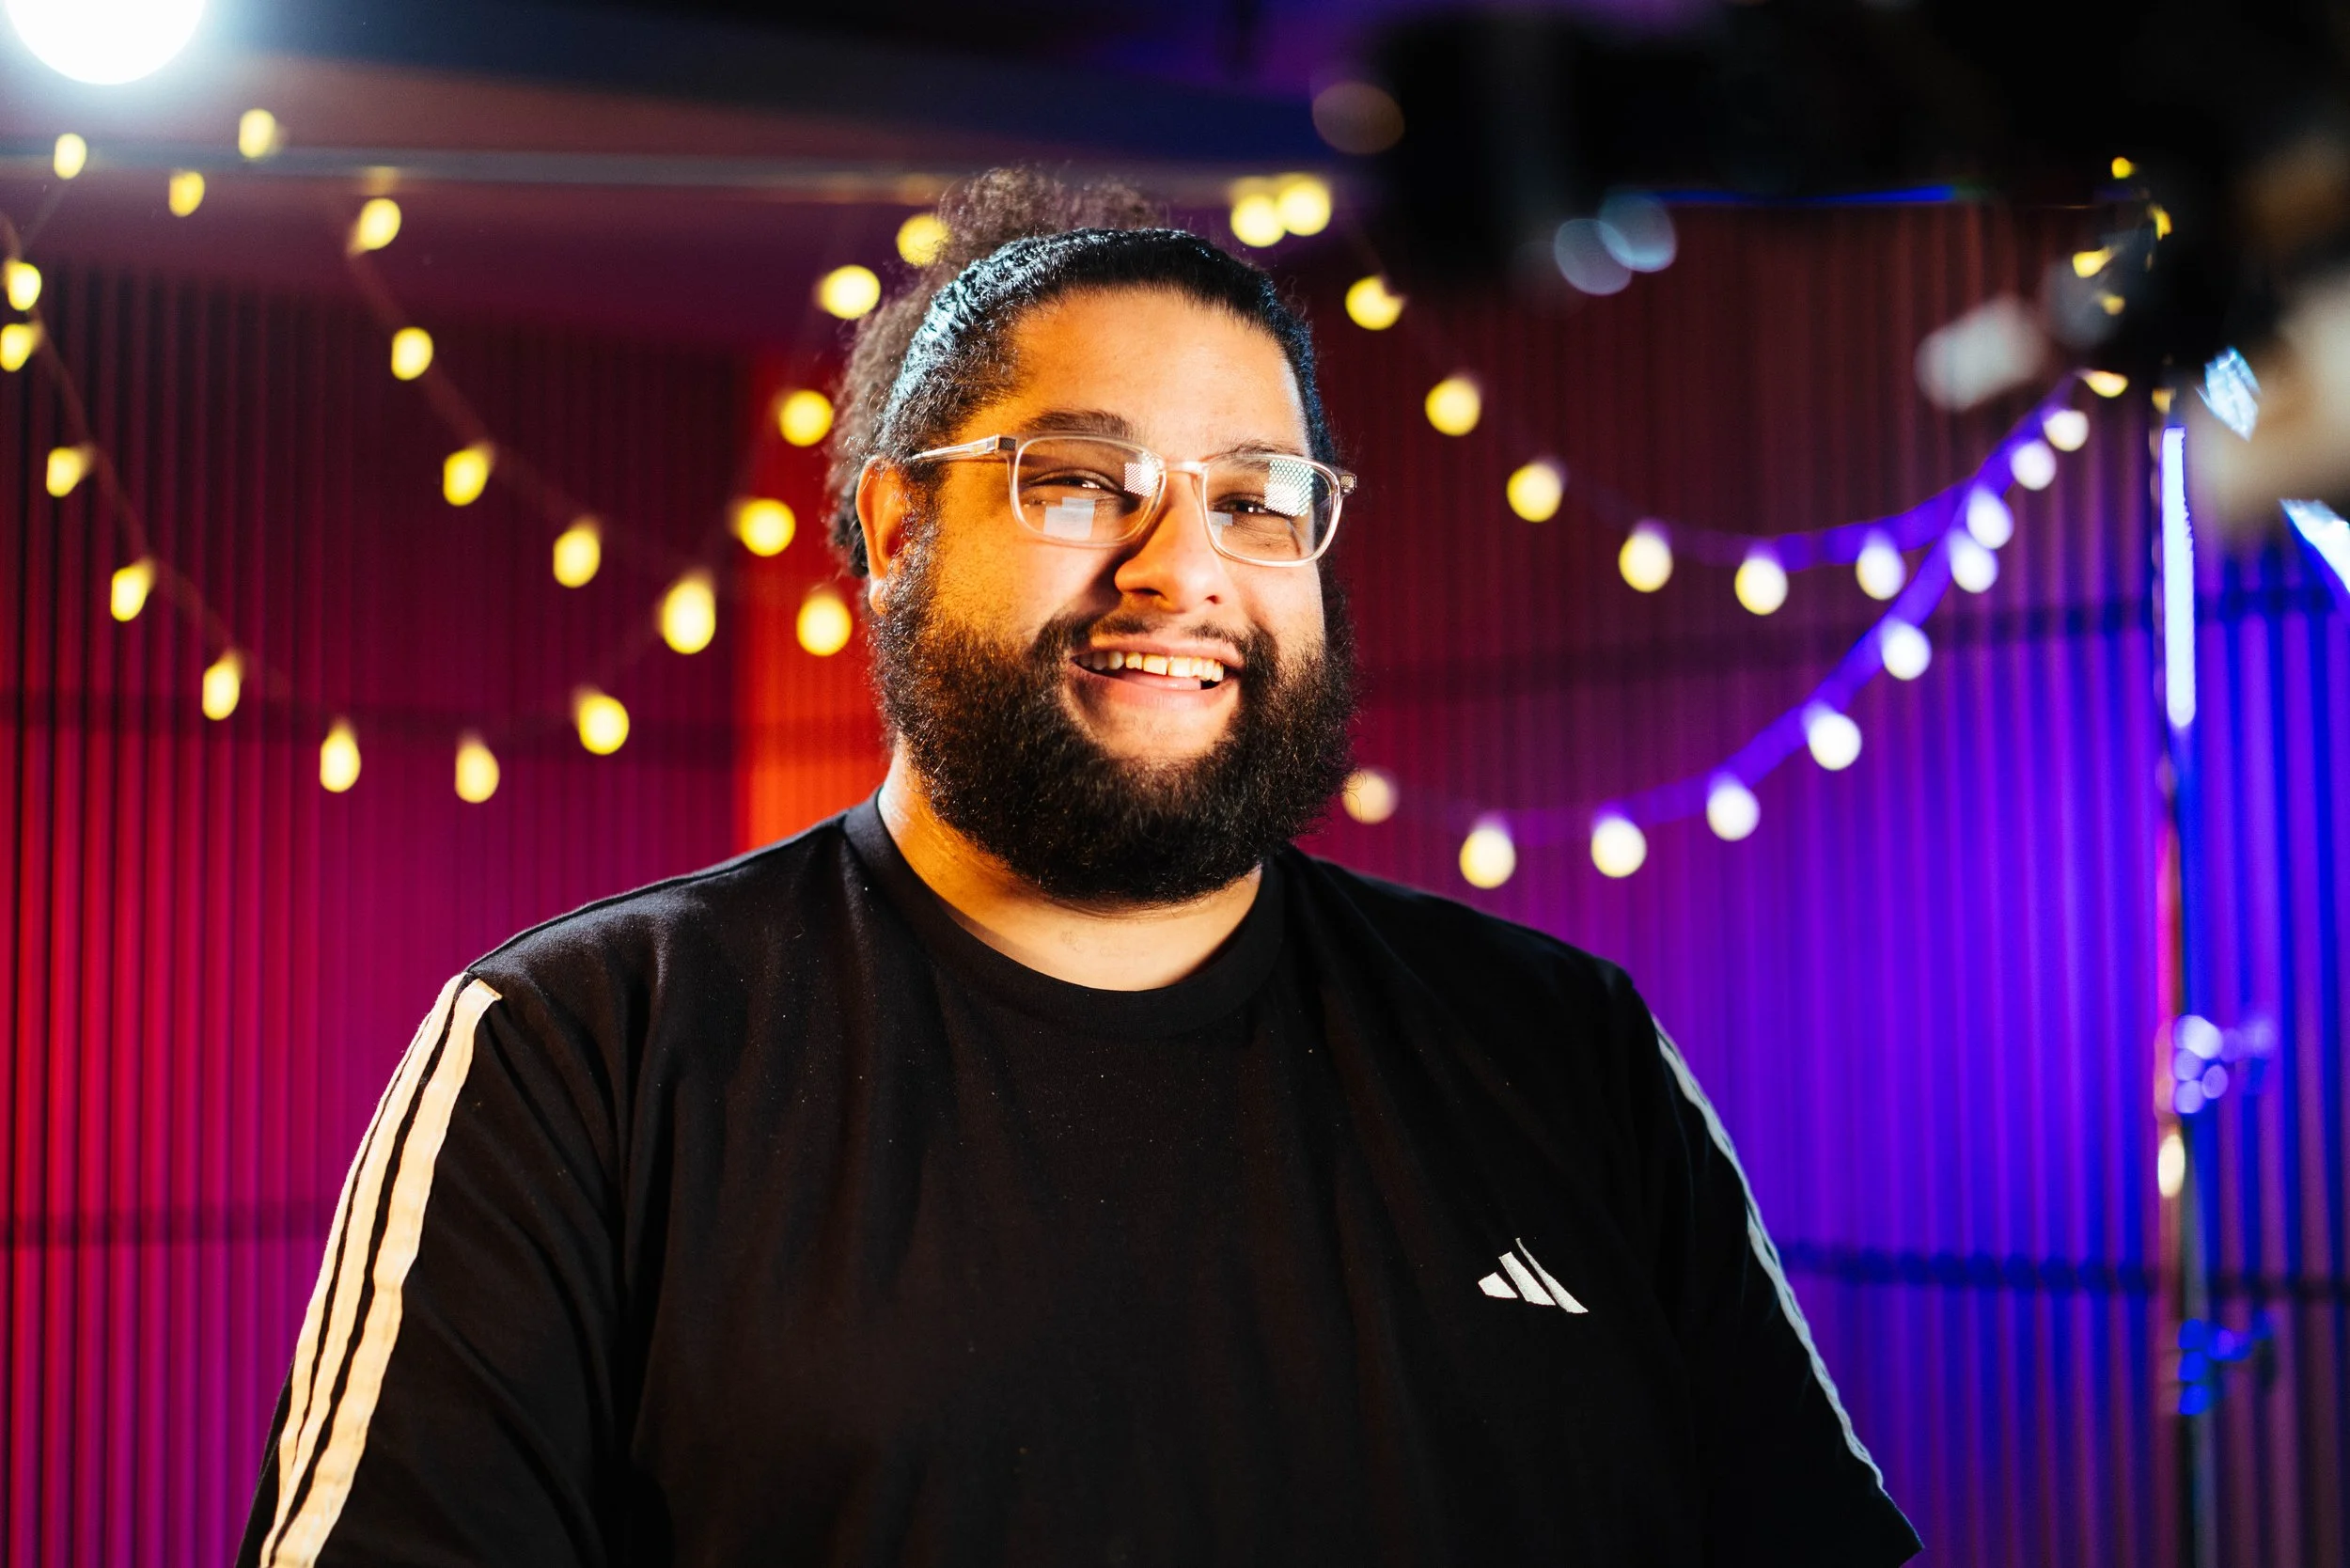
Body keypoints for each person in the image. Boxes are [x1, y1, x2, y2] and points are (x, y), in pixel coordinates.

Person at [237, 169, 1920, 1568]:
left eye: (1259, 498)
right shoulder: (582, 1053)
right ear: (898, 535)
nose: (1181, 567)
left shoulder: (1566, 1053)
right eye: (1082, 479)